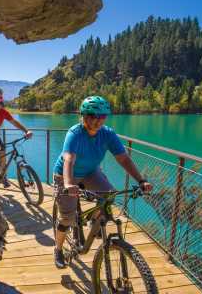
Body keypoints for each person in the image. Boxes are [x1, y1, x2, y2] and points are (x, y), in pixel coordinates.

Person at [52, 96, 153, 269]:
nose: (97, 120)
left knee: (109, 195)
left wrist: (141, 180)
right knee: (67, 218)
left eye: (102, 116)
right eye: (92, 115)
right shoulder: (75, 133)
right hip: (66, 175)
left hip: (91, 172)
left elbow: (123, 159)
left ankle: (94, 220)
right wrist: (68, 184)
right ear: (83, 115)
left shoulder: (108, 134)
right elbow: (69, 159)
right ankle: (58, 249)